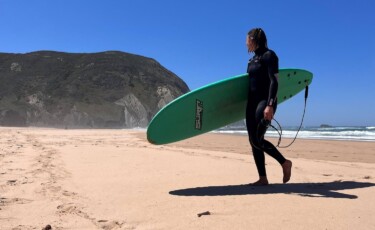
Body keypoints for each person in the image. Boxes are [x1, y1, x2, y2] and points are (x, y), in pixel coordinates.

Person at [245, 28, 292, 185]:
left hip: (265, 102)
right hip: (251, 103)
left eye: (247, 40)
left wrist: (270, 105)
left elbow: (274, 81)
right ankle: (262, 178)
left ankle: (285, 163)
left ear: (253, 38)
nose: (246, 43)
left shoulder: (269, 56)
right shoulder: (251, 60)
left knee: (258, 139)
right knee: (253, 140)